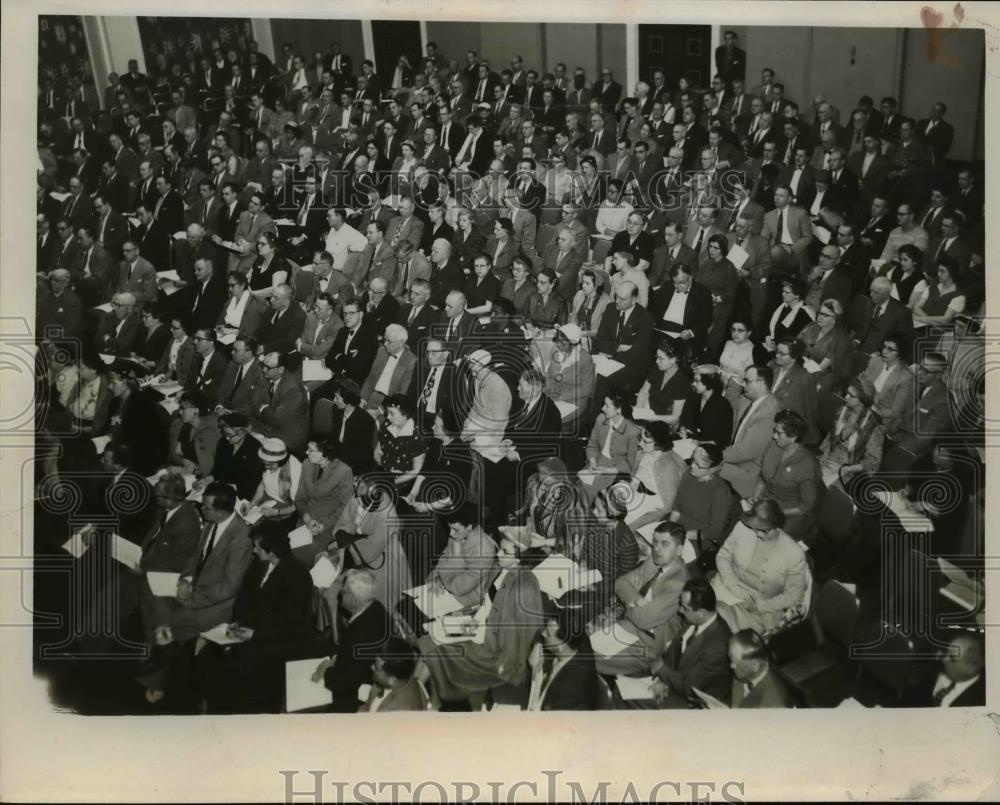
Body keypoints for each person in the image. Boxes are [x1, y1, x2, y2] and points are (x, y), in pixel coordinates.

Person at [415, 523, 543, 708]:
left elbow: (521, 638)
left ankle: (424, 699)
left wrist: (475, 632)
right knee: (431, 637)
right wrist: (466, 617)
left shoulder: (525, 586)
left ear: (519, 558)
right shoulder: (500, 569)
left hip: (496, 656)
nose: (498, 555)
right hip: (480, 631)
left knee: (434, 644)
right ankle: (422, 696)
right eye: (500, 549)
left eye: (505, 552)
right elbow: (487, 605)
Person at [196, 524, 313, 713]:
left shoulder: (298, 575)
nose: (253, 550)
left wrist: (255, 635)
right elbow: (243, 598)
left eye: (257, 547)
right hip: (247, 630)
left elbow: (292, 623)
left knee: (241, 665)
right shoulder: (259, 563)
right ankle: (216, 711)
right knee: (208, 656)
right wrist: (237, 622)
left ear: (272, 549)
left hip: (275, 640)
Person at [595, 521, 689, 677]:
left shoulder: (679, 582)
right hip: (629, 625)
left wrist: (628, 602)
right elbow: (620, 583)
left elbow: (644, 621)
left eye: (665, 544)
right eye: (655, 542)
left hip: (651, 641)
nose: (657, 549)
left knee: (592, 658)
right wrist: (638, 600)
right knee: (584, 642)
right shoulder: (654, 560)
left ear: (679, 550)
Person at [713, 499, 810, 638]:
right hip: (726, 586)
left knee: (725, 634)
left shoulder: (794, 553)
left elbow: (793, 597)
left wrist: (759, 606)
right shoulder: (743, 527)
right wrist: (733, 584)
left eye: (765, 530)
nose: (758, 534)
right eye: (755, 528)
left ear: (778, 527)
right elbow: (723, 556)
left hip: (759, 608)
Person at [648, 578, 734, 709]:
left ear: (701, 613)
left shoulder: (718, 646)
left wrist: (661, 670)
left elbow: (691, 689)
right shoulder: (695, 620)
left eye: (685, 608)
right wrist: (662, 679)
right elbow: (673, 652)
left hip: (696, 703)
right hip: (675, 682)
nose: (679, 611)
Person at [313, 569, 390, 713]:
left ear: (355, 599)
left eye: (344, 592)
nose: (340, 594)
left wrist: (326, 671)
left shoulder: (360, 636)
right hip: (358, 669)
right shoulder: (376, 606)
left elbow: (347, 685)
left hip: (357, 694)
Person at [751, 410, 822, 542]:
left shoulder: (807, 465)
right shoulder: (774, 446)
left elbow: (805, 506)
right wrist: (757, 494)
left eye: (779, 433)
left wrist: (777, 514)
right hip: (766, 502)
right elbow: (763, 475)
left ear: (794, 436)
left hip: (789, 514)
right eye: (774, 431)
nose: (774, 436)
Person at [668, 443, 739, 559]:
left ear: (713, 469)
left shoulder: (720, 491)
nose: (692, 466)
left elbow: (714, 531)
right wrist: (672, 521)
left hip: (697, 538)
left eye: (698, 465)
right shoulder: (689, 474)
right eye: (692, 460)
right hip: (675, 526)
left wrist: (682, 534)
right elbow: (677, 501)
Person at [526, 606, 602, 711]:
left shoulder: (567, 692)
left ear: (560, 646)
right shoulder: (580, 638)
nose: (543, 634)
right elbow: (541, 631)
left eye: (547, 634)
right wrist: (537, 645)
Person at [293, 440, 354, 564]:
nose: (306, 452)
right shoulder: (307, 464)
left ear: (324, 454)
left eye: (311, 450)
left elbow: (346, 506)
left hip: (330, 524)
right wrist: (307, 518)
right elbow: (300, 497)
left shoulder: (344, 471)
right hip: (306, 519)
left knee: (309, 558)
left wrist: (324, 525)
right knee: (291, 551)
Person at [818, 381, 884, 488]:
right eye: (847, 392)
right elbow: (830, 437)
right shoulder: (843, 411)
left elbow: (872, 462)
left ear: (861, 401)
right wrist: (825, 454)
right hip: (830, 458)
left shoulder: (872, 428)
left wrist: (845, 469)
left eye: (851, 395)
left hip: (848, 469)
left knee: (820, 488)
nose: (846, 396)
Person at [623, 420, 687, 531]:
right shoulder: (643, 452)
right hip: (642, 494)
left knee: (625, 524)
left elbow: (667, 507)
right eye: (640, 439)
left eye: (645, 441)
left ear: (658, 443)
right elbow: (636, 477)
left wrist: (638, 523)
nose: (640, 444)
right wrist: (628, 492)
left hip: (658, 504)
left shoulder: (668, 466)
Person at [582, 391, 641, 499]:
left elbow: (630, 463)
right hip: (598, 460)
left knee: (590, 490)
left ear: (618, 410)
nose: (603, 408)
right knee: (579, 485)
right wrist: (593, 462)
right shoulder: (601, 419)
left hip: (616, 468)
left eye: (607, 406)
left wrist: (608, 470)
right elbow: (592, 445)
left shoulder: (633, 431)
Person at [727, 628, 795, 708]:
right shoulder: (744, 672)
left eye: (735, 662)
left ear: (755, 665)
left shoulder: (774, 704)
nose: (731, 666)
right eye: (730, 658)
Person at [358, 638, 430, 712]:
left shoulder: (399, 710)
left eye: (377, 669)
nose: (372, 667)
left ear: (392, 679)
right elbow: (366, 706)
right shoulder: (398, 678)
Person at [543, 323, 596, 424]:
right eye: (557, 340)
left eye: (563, 343)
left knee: (549, 420)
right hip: (553, 394)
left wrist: (562, 396)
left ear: (573, 344)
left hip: (574, 400)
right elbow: (549, 375)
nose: (558, 344)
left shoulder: (585, 359)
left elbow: (586, 390)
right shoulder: (555, 350)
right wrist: (549, 391)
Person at [375, 394, 426, 498]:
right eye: (387, 412)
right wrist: (383, 472)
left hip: (401, 481)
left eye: (392, 414)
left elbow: (416, 470)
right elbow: (377, 451)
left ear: (405, 415)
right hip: (382, 471)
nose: (388, 417)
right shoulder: (386, 425)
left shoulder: (417, 437)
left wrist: (391, 480)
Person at [797, 298, 852, 394]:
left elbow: (821, 368)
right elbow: (795, 346)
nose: (820, 317)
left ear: (835, 320)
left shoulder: (839, 340)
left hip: (819, 377)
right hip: (800, 366)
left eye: (825, 315)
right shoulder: (811, 326)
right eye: (820, 313)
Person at [698, 234, 739, 356]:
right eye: (710, 246)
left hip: (720, 305)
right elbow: (698, 285)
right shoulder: (705, 264)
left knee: (713, 319)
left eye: (716, 248)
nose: (712, 250)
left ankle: (708, 352)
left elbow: (731, 293)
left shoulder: (729, 267)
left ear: (723, 250)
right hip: (704, 302)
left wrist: (716, 299)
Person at [634, 339, 691, 427]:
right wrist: (638, 409)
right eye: (657, 357)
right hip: (647, 409)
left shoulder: (682, 383)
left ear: (674, 360)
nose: (657, 361)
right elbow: (643, 392)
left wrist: (652, 418)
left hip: (662, 421)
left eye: (661, 358)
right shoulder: (656, 369)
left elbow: (674, 418)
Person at [678, 366, 733, 446]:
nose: (693, 384)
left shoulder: (723, 405)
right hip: (688, 442)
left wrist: (700, 443)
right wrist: (683, 429)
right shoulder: (693, 398)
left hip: (709, 447)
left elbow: (725, 439)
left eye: (697, 381)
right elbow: (684, 420)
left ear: (708, 382)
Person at [167, 394, 219, 477]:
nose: (180, 412)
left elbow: (208, 471)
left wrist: (184, 470)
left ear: (196, 411)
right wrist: (183, 461)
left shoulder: (208, 434)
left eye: (183, 409)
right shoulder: (186, 426)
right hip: (187, 474)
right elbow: (175, 454)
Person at [570, 268, 612, 351]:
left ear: (596, 285)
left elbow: (605, 331)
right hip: (578, 339)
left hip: (596, 342)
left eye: (587, 283)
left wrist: (583, 334)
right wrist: (572, 331)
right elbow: (573, 316)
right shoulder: (579, 295)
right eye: (583, 282)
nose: (583, 286)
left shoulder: (607, 301)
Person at [766, 277, 814, 349]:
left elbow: (797, 339)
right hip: (772, 344)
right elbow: (769, 325)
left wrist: (777, 345)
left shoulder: (804, 314)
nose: (783, 294)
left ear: (797, 295)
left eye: (786, 292)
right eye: (783, 291)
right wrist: (769, 337)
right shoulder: (781, 306)